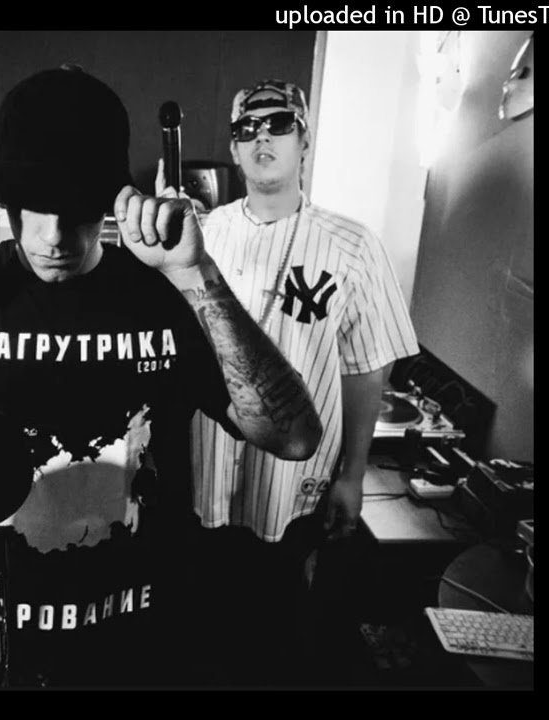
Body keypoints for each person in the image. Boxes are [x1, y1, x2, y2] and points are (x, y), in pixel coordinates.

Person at [0, 66, 321, 686]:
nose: (54, 235)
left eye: (76, 208)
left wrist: (197, 273)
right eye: (33, 206)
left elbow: (293, 436)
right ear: (3, 197)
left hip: (136, 642)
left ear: (112, 201)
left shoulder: (164, 294)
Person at [189, 79, 419, 682]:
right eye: (246, 128)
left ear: (304, 139)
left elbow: (366, 366)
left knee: (279, 629)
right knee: (203, 632)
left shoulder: (353, 245)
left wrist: (353, 475)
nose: (261, 137)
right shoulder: (201, 235)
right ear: (233, 149)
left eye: (279, 124)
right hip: (203, 471)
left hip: (292, 486)